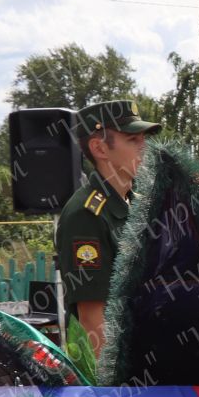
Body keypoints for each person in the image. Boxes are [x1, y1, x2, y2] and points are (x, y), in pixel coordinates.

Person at [55, 99, 157, 356]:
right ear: (99, 148)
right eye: (133, 140)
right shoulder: (86, 214)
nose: (144, 148)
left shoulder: (136, 203)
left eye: (143, 139)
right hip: (112, 376)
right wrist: (118, 387)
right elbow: (93, 319)